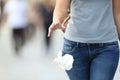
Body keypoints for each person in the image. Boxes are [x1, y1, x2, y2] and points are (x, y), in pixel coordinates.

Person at [48, 0, 120, 80]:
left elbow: (117, 12)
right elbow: (61, 9)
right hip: (74, 48)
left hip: (107, 48)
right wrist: (56, 20)